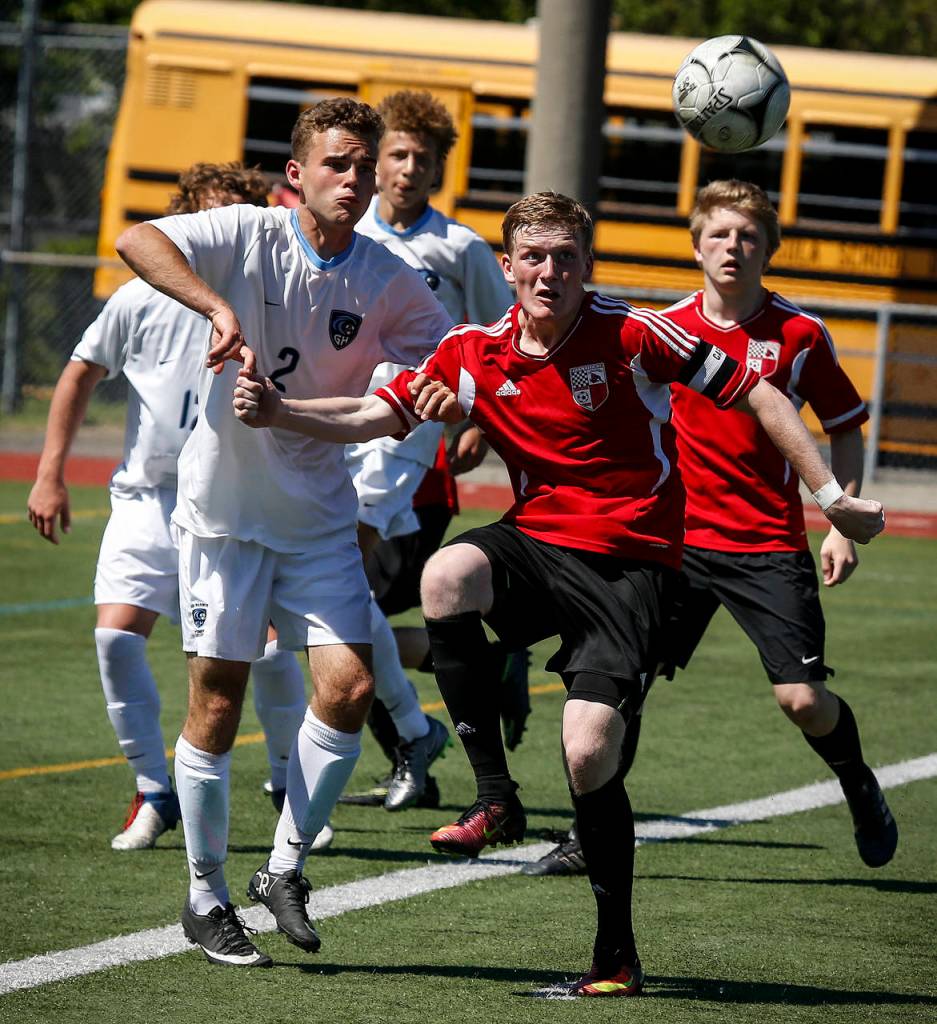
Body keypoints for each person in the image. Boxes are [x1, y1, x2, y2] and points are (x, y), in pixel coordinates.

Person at [231, 191, 885, 996]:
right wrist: (280, 411)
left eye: (565, 257)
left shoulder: (634, 333)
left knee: (587, 753)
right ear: (506, 269)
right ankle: (496, 798)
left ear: (587, 268)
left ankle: (615, 958)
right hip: (538, 541)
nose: (549, 271)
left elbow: (757, 391)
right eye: (532, 257)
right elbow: (373, 413)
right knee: (445, 575)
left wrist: (827, 494)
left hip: (633, 565)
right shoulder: (473, 348)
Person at [115, 98, 453, 968]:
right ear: (295, 175)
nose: (357, 178)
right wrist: (216, 309)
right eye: (338, 163)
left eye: (365, 164)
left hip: (317, 525)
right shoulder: (247, 235)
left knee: (346, 687)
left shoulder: (387, 276)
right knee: (218, 701)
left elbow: (415, 391)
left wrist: (426, 394)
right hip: (223, 519)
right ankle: (203, 895)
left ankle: (283, 868)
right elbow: (138, 242)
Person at [525, 179, 899, 880]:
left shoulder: (798, 334)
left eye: (748, 236)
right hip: (670, 542)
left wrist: (840, 518)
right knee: (619, 684)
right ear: (695, 246)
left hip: (765, 544)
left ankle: (856, 781)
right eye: (719, 234)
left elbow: (846, 427)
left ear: (768, 249)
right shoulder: (661, 328)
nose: (733, 247)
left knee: (801, 700)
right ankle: (590, 834)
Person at [26, 162, 310, 852]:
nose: (217, 231)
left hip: (232, 498)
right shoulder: (138, 299)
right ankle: (154, 789)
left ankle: (285, 784)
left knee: (268, 653)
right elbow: (79, 372)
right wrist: (49, 473)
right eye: (208, 214)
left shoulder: (272, 298)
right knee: (116, 638)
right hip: (146, 496)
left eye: (237, 214)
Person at [345, 89, 520, 810]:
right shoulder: (347, 237)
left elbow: (504, 339)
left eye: (423, 157)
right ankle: (474, 675)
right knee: (342, 612)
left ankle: (411, 748)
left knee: (332, 598)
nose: (408, 168)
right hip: (342, 429)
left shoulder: (460, 248)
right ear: (375, 162)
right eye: (397, 154)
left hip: (409, 448)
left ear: (439, 169)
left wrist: (481, 421)